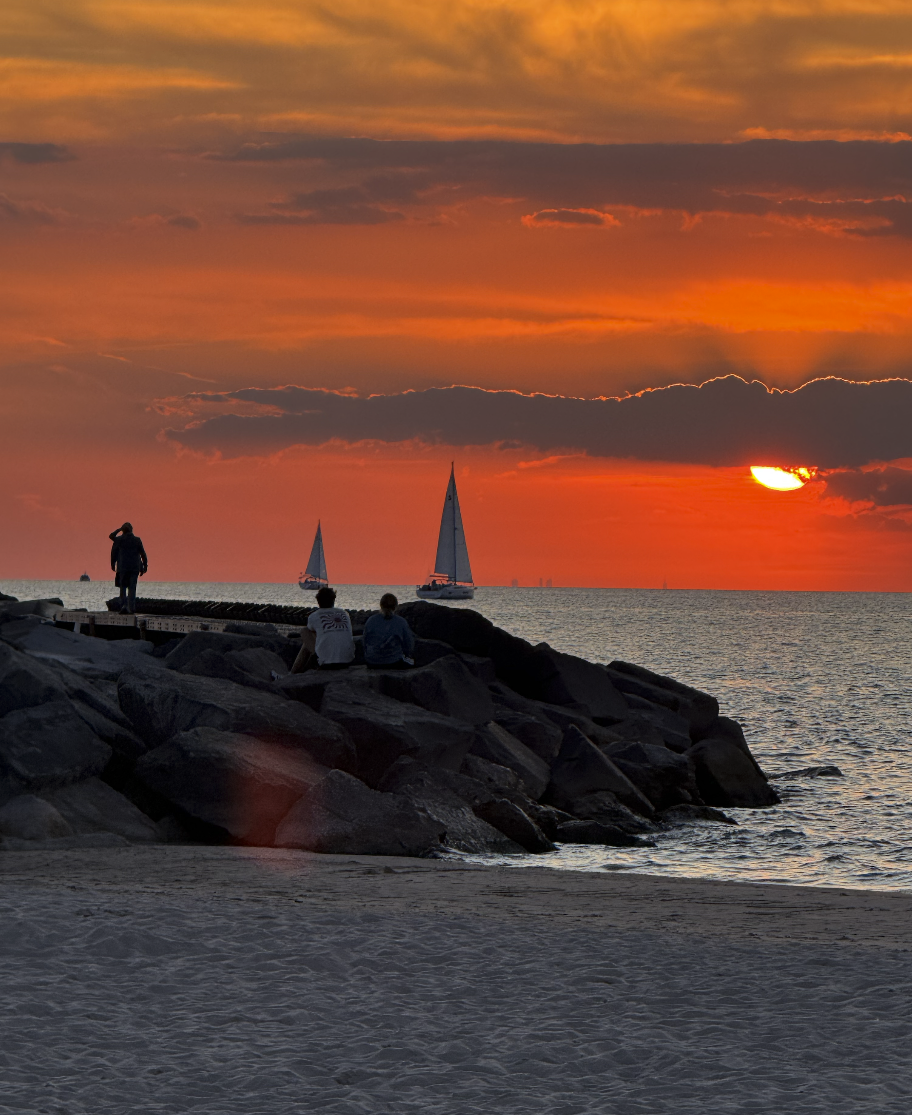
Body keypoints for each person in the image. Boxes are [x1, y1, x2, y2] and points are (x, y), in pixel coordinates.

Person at [291, 586, 355, 672]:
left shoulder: (314, 616)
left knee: (305, 632)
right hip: (347, 661)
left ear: (318, 601)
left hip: (327, 664)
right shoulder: (344, 613)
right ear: (333, 600)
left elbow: (311, 631)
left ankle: (294, 672)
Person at [362, 593, 415, 669]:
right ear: (395, 607)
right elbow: (409, 644)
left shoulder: (371, 620)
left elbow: (364, 641)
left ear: (381, 605)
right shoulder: (401, 622)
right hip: (393, 662)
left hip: (372, 662)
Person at [109, 522, 148, 615]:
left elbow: (111, 536)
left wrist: (119, 529)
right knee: (132, 589)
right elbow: (143, 554)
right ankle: (131, 608)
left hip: (123, 568)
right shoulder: (137, 540)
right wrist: (144, 566)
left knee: (123, 588)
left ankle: (123, 606)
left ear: (123, 530)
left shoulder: (120, 540)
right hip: (134, 568)